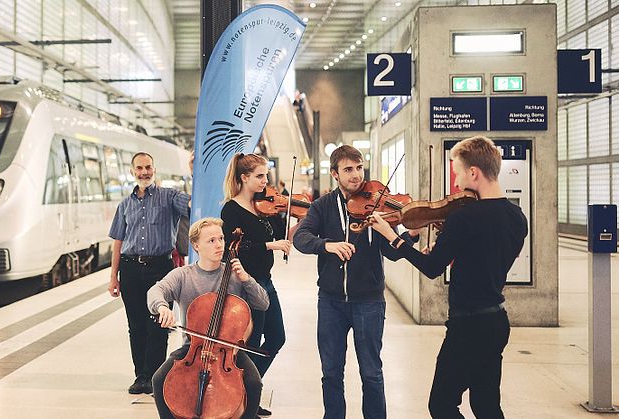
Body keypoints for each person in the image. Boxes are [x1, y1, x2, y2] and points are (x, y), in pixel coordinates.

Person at [369, 136, 527, 419]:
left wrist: (394, 238)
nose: (455, 184)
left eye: (457, 173)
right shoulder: (517, 216)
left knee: (441, 405)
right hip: (496, 323)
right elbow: (487, 256)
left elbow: (432, 268)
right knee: (486, 405)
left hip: (467, 326)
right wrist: (452, 250)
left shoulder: (464, 218)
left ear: (474, 173)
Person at [293, 145, 418, 419]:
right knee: (331, 373)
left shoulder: (380, 206)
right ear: (335, 174)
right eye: (348, 169)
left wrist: (412, 236)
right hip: (331, 302)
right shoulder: (322, 206)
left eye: (359, 167)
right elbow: (300, 239)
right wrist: (327, 245)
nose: (356, 175)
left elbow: (391, 253)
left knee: (372, 373)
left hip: (369, 301)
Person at [148, 217, 269, 419]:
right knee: (159, 380)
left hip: (229, 350)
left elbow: (263, 303)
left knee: (254, 384)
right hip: (193, 348)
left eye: (221, 239)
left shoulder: (235, 275)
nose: (219, 244)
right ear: (196, 245)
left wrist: (246, 279)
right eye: (211, 240)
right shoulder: (183, 275)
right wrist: (162, 308)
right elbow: (155, 291)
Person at [107, 152, 190, 395]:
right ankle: (140, 376)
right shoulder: (125, 204)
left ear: (155, 169)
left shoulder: (169, 197)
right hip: (130, 268)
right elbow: (118, 242)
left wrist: (197, 173)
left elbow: (193, 203)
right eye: (140, 168)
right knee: (136, 325)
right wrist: (114, 277)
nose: (144, 172)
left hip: (160, 268)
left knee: (158, 323)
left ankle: (155, 377)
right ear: (132, 171)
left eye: (148, 167)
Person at [220, 153, 291, 417]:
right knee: (251, 343)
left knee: (277, 337)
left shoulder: (265, 207)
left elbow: (282, 236)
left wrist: (297, 221)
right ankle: (244, 396)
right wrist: (270, 245)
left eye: (266, 175)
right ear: (244, 178)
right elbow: (234, 248)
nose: (265, 180)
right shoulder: (231, 209)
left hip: (266, 282)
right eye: (260, 176)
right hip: (246, 285)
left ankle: (247, 390)